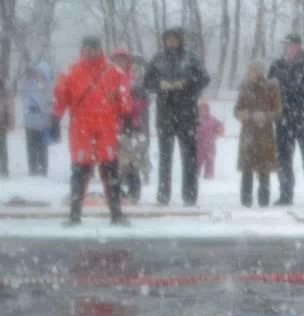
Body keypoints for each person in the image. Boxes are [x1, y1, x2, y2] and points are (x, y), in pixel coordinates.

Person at [52, 36, 132, 226]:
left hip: (106, 130)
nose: (91, 51)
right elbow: (61, 96)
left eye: (94, 47)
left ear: (100, 49)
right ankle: (74, 215)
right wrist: (55, 117)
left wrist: (127, 115)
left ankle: (116, 214)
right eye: (87, 47)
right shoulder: (71, 71)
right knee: (79, 172)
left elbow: (123, 96)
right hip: (81, 131)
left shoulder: (113, 71)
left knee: (110, 172)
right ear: (82, 49)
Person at [143, 27, 210, 206]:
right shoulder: (157, 59)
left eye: (174, 39)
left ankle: (190, 196)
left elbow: (205, 78)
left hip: (186, 113)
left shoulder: (191, 58)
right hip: (165, 113)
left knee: (189, 157)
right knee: (165, 157)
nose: (171, 42)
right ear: (163, 41)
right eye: (168, 39)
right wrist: (160, 84)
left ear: (180, 40)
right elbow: (146, 82)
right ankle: (163, 195)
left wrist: (186, 84)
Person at [268, 34, 304, 206]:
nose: (287, 48)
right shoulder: (277, 66)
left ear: (298, 46)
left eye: (290, 45)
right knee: (283, 158)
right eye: (285, 45)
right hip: (283, 119)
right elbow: (269, 90)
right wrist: (276, 110)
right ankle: (286, 194)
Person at [234, 61, 282, 208]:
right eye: (249, 71)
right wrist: (244, 114)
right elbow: (236, 110)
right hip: (248, 134)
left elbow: (278, 111)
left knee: (264, 170)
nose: (251, 73)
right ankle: (246, 201)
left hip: (265, 134)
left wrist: (266, 116)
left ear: (260, 72)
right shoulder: (244, 88)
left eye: (254, 70)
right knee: (247, 170)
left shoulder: (271, 88)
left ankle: (263, 202)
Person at [110, 48, 150, 202]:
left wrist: (130, 104)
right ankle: (117, 193)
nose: (120, 63)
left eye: (123, 60)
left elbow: (143, 103)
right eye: (117, 60)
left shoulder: (134, 80)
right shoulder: (107, 79)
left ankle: (134, 192)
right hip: (114, 126)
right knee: (116, 163)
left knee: (132, 162)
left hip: (132, 127)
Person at [21, 62, 53, 176]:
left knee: (43, 146)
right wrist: (32, 106)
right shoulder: (28, 85)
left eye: (41, 73)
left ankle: (44, 168)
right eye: (37, 72)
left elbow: (51, 102)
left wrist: (46, 108)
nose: (38, 74)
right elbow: (25, 100)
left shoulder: (49, 86)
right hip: (31, 120)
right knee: (31, 145)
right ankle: (33, 168)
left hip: (44, 121)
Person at [195, 101, 225, 180]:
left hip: (210, 145)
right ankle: (195, 176)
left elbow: (219, 127)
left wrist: (218, 132)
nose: (203, 112)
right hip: (199, 145)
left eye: (204, 110)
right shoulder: (196, 119)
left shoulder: (212, 120)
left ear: (208, 110)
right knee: (197, 162)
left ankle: (209, 178)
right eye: (201, 110)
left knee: (210, 162)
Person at [0, 78, 12, 178]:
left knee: (2, 148)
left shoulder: (4, 94)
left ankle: (4, 170)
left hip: (1, 125)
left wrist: (7, 123)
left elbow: (8, 109)